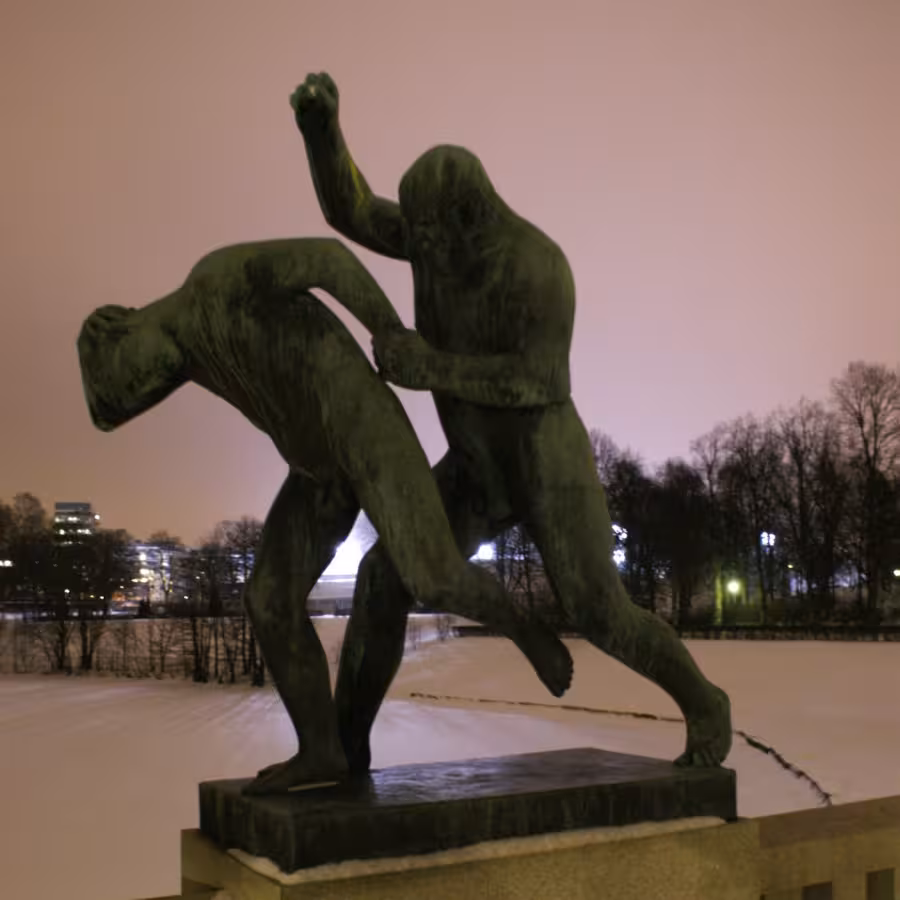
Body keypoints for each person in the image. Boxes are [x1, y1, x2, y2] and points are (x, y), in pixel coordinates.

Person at [291, 72, 733, 773]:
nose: (419, 248)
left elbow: (539, 381)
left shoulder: (537, 266)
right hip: (476, 468)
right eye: (416, 235)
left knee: (599, 611)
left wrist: (430, 366)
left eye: (431, 235)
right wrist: (322, 132)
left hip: (545, 463)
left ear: (469, 219)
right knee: (383, 576)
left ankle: (705, 704)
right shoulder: (431, 236)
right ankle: (344, 754)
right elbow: (352, 209)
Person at [77, 236, 573, 793]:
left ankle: (527, 630)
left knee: (431, 574)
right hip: (315, 471)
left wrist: (388, 330)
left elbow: (325, 259)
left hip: (362, 426)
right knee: (269, 599)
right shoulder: (189, 354)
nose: (150, 389)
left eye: (131, 378)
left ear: (121, 327)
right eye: (140, 398)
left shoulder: (216, 282)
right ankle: (322, 750)